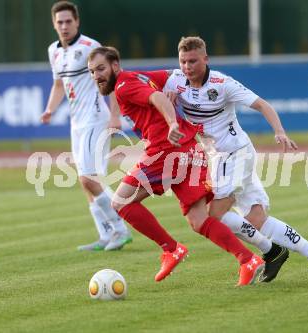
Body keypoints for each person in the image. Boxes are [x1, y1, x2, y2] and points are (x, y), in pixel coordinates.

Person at [87, 46, 265, 286]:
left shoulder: (123, 85)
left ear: (115, 66)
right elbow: (174, 77)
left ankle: (171, 249)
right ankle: (248, 259)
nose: (96, 75)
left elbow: (157, 97)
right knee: (198, 219)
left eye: (100, 69)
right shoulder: (140, 77)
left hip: (165, 150)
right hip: (189, 148)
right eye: (91, 72)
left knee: (120, 202)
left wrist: (172, 123)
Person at [164, 36, 308, 283]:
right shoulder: (175, 80)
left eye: (192, 61)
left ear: (205, 59)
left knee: (214, 215)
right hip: (220, 158)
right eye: (183, 61)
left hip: (235, 154)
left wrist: (279, 131)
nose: (187, 67)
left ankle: (273, 252)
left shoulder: (222, 83)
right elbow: (149, 88)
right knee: (257, 220)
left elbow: (263, 105)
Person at [41, 1, 132, 251]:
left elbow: (111, 80)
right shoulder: (54, 51)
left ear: (77, 22)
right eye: (59, 22)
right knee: (87, 183)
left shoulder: (90, 47)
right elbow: (59, 85)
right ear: (54, 24)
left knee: (88, 178)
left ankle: (121, 229)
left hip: (95, 118)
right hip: (77, 124)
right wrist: (50, 109)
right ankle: (106, 235)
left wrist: (115, 115)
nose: (64, 26)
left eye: (68, 21)